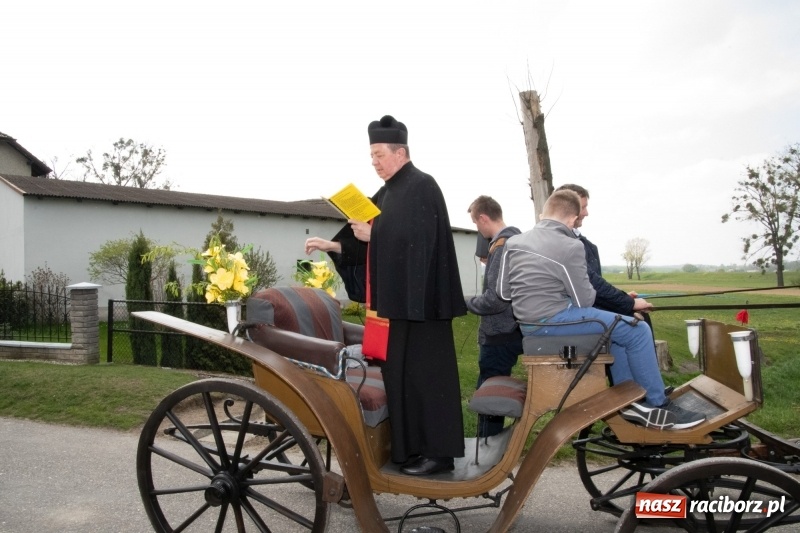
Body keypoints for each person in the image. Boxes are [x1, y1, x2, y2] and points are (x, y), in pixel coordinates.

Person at [304, 115, 467, 475]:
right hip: (396, 306)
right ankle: (410, 450)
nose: (374, 162)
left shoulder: (423, 186)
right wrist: (333, 244)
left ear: (401, 152)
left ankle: (438, 454)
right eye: (371, 155)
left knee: (427, 380)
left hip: (423, 306)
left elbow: (418, 244)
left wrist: (374, 236)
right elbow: (367, 238)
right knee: (402, 380)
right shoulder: (388, 191)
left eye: (379, 154)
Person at [497, 190, 705, 430]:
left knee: (617, 335)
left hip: (529, 324)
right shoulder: (570, 245)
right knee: (638, 331)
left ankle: (631, 402)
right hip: (554, 321)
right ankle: (658, 405)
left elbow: (505, 293)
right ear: (573, 219)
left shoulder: (514, 242)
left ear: (546, 212)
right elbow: (584, 299)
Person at [465, 195, 523, 437]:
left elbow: (497, 299)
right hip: (514, 328)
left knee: (489, 394)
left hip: (499, 333)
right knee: (496, 390)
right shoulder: (518, 239)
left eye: (475, 223)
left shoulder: (501, 247)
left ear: (483, 218)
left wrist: (464, 302)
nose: (477, 228)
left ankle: (486, 449)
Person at [554, 184, 654, 318]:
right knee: (639, 325)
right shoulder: (562, 245)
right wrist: (627, 302)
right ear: (566, 209)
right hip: (571, 313)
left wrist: (620, 298)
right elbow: (592, 284)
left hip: (587, 308)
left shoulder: (587, 246)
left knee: (638, 314)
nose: (586, 213)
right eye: (582, 207)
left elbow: (596, 287)